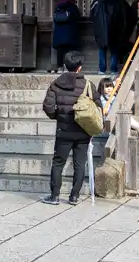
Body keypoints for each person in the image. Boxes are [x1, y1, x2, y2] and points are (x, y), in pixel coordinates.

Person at [41, 52, 99, 205]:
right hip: (83, 130)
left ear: (65, 66)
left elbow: (47, 106)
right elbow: (98, 107)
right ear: (80, 67)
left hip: (63, 130)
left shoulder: (55, 84)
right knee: (79, 164)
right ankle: (74, 197)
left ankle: (54, 196)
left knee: (58, 162)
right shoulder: (88, 85)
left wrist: (57, 117)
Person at [97, 77, 139, 151]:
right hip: (110, 121)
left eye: (110, 86)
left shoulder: (115, 95)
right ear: (102, 88)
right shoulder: (101, 98)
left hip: (122, 116)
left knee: (138, 126)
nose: (109, 89)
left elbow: (115, 84)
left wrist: (116, 81)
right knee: (113, 136)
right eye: (106, 87)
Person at [89, 0, 131, 75]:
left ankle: (102, 69)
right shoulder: (120, 1)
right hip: (116, 29)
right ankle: (113, 69)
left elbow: (91, 16)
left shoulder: (97, 2)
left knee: (102, 49)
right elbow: (127, 14)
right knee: (115, 49)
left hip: (101, 30)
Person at [51, 0, 81, 72]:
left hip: (59, 36)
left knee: (60, 52)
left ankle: (60, 67)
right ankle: (69, 67)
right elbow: (78, 17)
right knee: (69, 52)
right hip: (70, 35)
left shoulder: (57, 7)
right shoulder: (73, 7)